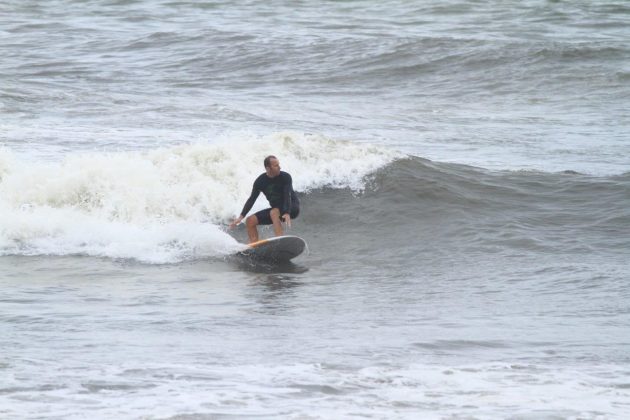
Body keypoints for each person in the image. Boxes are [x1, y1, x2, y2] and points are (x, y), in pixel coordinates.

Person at [229, 155, 300, 243]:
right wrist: (241, 217)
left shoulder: (285, 177)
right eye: (276, 165)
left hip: (291, 206)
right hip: (276, 210)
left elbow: (287, 195)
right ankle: (255, 247)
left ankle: (280, 242)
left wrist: (286, 212)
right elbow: (252, 199)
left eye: (278, 164)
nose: (279, 167)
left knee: (274, 212)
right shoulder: (260, 181)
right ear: (268, 168)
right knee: (250, 221)